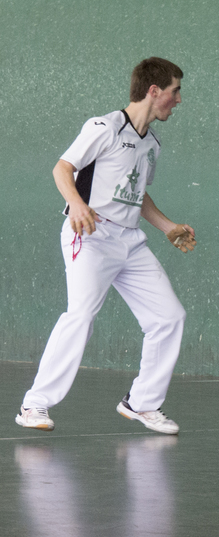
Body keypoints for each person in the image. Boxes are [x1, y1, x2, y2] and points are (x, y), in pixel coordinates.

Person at [15, 57, 196, 435]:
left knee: (169, 317)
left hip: (130, 242)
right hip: (91, 236)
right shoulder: (104, 127)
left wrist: (168, 227)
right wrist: (77, 205)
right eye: (175, 91)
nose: (179, 100)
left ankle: (142, 403)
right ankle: (34, 404)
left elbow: (136, 194)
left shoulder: (152, 144)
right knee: (81, 315)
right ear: (154, 91)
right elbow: (62, 168)